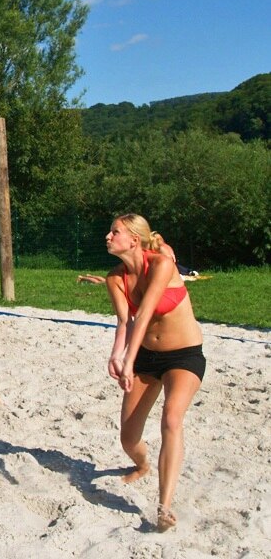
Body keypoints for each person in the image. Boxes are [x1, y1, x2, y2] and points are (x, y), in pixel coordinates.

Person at [104, 213, 205, 532]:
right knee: (128, 437)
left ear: (134, 239)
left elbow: (145, 313)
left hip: (184, 355)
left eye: (114, 232)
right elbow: (126, 322)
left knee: (171, 419)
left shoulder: (161, 264)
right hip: (148, 355)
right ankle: (143, 464)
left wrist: (129, 361)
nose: (107, 236)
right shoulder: (115, 278)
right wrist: (117, 355)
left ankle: (164, 506)